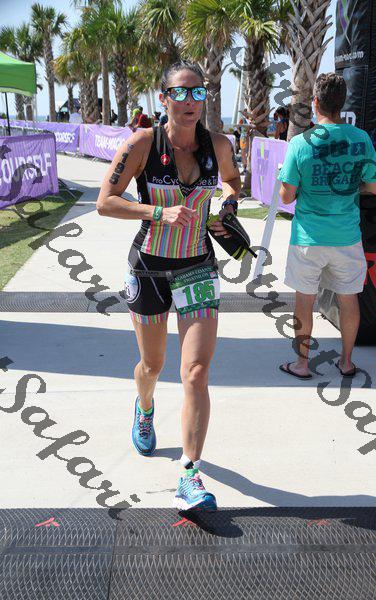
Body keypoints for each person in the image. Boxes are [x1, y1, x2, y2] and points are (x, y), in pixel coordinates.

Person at [96, 60, 241, 511]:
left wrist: (227, 206)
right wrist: (158, 212)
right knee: (153, 365)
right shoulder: (142, 143)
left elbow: (233, 183)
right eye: (180, 92)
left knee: (195, 371)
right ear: (164, 98)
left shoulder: (219, 144)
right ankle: (144, 407)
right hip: (149, 269)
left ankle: (189, 474)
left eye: (198, 92)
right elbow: (105, 202)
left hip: (197, 265)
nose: (190, 101)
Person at [277, 72, 376, 380]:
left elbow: (286, 196)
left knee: (304, 301)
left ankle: (302, 364)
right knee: (349, 299)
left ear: (315, 102)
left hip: (308, 238)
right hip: (347, 236)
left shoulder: (300, 143)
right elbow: (375, 187)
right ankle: (346, 362)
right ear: (342, 103)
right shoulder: (360, 139)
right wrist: (349, 188)